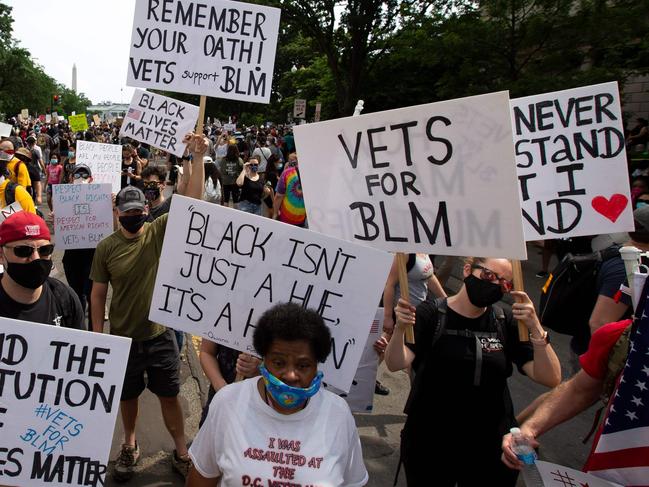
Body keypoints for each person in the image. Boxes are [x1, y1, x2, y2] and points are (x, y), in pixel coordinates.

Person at [90, 133, 207, 482]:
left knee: (169, 395)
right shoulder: (106, 247)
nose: (133, 216)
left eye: (139, 211)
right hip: (123, 339)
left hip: (159, 335)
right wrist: (99, 336)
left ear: (146, 210)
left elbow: (193, 202)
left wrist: (197, 157)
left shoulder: (157, 232)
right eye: (127, 212)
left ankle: (181, 450)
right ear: (117, 212)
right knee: (127, 397)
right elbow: (97, 295)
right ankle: (130, 444)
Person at [384, 257, 561, 486]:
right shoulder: (431, 314)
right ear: (467, 270)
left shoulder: (504, 320)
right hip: (430, 441)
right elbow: (395, 362)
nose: (495, 285)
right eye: (489, 276)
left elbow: (551, 378)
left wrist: (536, 328)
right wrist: (399, 330)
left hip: (488, 445)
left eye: (505, 283)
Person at [187, 302, 369, 487]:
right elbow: (201, 479)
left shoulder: (338, 414)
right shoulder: (228, 402)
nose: (290, 375)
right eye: (279, 363)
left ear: (317, 365)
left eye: (303, 365)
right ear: (263, 361)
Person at [0, 210, 84, 329]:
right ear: (1, 255)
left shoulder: (65, 298)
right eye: (23, 251)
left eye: (44, 250)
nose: (35, 258)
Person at [61, 164, 98, 322]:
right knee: (76, 294)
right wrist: (55, 218)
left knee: (92, 294)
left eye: (84, 176)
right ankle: (79, 326)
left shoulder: (100, 198)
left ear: (91, 179)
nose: (80, 179)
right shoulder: (64, 198)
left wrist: (111, 208)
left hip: (92, 257)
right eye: (77, 176)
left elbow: (111, 228)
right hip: (71, 257)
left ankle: (93, 331)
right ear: (71, 178)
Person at [273, 153, 306, 226]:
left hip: (286, 216)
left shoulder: (286, 173)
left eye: (291, 160)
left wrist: (275, 213)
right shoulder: (309, 174)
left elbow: (279, 196)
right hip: (302, 216)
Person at [219, 143, 243, 207]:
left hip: (225, 182)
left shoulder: (223, 160)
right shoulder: (239, 160)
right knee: (236, 200)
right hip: (235, 182)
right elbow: (242, 169)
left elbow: (222, 170)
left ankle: (225, 214)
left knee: (226, 200)